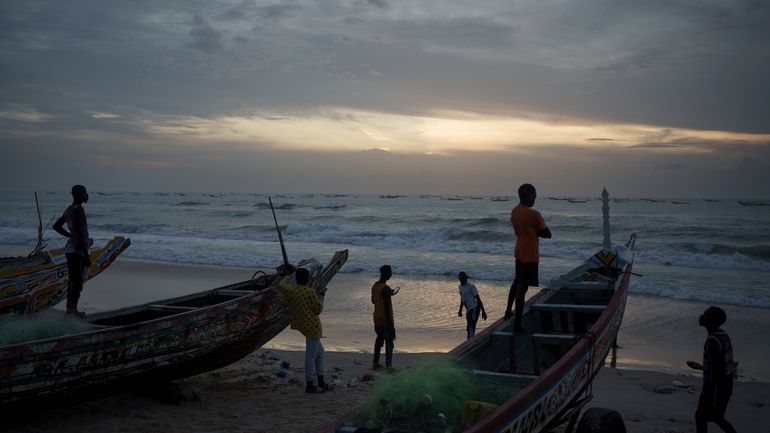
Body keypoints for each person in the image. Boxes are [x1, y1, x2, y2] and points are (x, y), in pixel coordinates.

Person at [504, 183, 551, 333]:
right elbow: (547, 234)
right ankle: (518, 325)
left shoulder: (514, 211)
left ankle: (507, 312)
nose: (535, 199)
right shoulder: (533, 214)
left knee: (517, 281)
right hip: (530, 253)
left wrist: (532, 230)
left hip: (519, 250)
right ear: (528, 196)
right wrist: (535, 231)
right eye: (534, 196)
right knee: (522, 288)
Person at [279, 267, 332, 393]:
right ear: (306, 279)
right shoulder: (309, 292)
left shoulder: (291, 290)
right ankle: (310, 384)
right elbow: (318, 309)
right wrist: (321, 296)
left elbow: (282, 284)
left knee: (319, 354)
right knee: (311, 356)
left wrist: (288, 276)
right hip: (313, 326)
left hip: (303, 325)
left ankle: (321, 381)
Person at [687, 306, 738, 433]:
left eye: (705, 315)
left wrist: (707, 393)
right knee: (717, 418)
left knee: (702, 417)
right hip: (726, 386)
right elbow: (722, 365)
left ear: (711, 320)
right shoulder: (723, 336)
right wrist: (701, 367)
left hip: (715, 390)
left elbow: (717, 373)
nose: (701, 316)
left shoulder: (712, 341)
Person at [53, 184, 92, 316]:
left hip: (71, 250)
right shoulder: (79, 210)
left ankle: (70, 309)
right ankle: (72, 310)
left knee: (73, 281)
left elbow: (56, 226)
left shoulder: (69, 209)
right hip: (77, 251)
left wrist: (70, 235)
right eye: (85, 192)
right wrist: (87, 255)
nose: (87, 195)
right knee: (77, 282)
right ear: (79, 194)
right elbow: (80, 233)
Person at [371, 264, 398, 370]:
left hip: (377, 318)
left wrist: (389, 294)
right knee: (389, 342)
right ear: (386, 274)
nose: (391, 274)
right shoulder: (385, 288)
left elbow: (373, 300)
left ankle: (375, 363)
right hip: (385, 319)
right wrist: (391, 324)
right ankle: (388, 366)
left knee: (379, 340)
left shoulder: (375, 286)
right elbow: (387, 307)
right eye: (390, 272)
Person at [457, 271, 487, 339]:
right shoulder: (460, 287)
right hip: (468, 309)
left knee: (471, 326)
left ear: (466, 279)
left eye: (464, 278)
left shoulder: (471, 287)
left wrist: (483, 312)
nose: (463, 280)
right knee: (469, 326)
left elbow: (478, 300)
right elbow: (462, 299)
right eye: (461, 278)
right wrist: (460, 310)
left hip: (474, 308)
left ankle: (470, 341)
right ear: (459, 279)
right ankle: (470, 340)